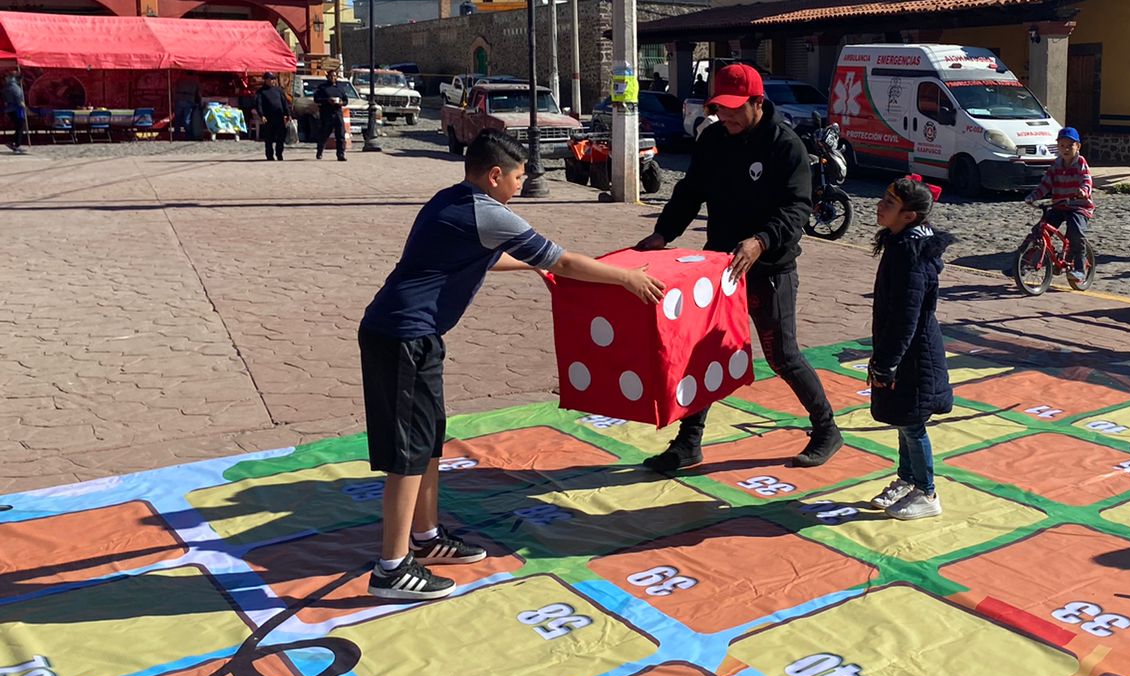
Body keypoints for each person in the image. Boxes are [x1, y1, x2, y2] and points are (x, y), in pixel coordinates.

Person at [359, 129, 664, 600]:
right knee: (409, 454)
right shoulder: (490, 213)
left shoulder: (451, 201)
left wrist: (531, 266)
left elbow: (481, 258)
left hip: (409, 335)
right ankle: (391, 569)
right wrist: (624, 278)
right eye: (519, 177)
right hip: (402, 338)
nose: (522, 185)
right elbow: (564, 260)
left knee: (428, 444)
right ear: (495, 175)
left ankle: (425, 539)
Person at [636, 63, 842, 474]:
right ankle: (688, 443)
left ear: (757, 103)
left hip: (771, 268)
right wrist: (663, 234)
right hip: (720, 268)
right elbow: (689, 191)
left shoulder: (785, 146)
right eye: (719, 108)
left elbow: (798, 207)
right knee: (704, 352)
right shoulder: (713, 139)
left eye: (733, 108)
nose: (724, 116)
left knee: (782, 355)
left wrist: (761, 239)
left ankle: (826, 429)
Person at [868, 176, 955, 521]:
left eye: (889, 203)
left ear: (909, 216)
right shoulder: (899, 242)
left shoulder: (911, 254)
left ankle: (927, 490)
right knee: (903, 418)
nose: (880, 205)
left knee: (912, 422)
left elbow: (908, 314)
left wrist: (888, 362)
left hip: (914, 353)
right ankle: (907, 479)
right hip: (902, 349)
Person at [1025, 127, 1094, 285]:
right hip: (1059, 205)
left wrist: (1083, 191)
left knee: (1075, 233)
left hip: (1078, 206)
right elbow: (1045, 184)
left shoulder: (1080, 163)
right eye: (1062, 146)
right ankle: (1023, 264)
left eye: (1070, 146)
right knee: (1038, 231)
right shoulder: (1056, 165)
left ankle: (1080, 269)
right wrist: (1033, 196)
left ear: (1078, 147)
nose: (1066, 149)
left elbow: (1087, 181)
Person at [313, 67, 348, 161]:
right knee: (324, 134)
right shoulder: (322, 88)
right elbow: (316, 99)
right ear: (327, 77)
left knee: (340, 134)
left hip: (338, 113)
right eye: (331, 76)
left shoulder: (340, 88)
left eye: (335, 76)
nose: (333, 78)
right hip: (327, 114)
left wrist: (341, 103)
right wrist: (327, 100)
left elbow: (345, 100)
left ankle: (341, 154)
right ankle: (320, 151)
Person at [256, 73, 290, 162]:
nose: (272, 81)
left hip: (279, 116)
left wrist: (287, 114)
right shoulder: (261, 91)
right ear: (266, 80)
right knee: (269, 138)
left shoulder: (278, 90)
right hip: (268, 117)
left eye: (273, 79)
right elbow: (258, 104)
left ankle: (279, 154)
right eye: (270, 79)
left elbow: (284, 102)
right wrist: (261, 115)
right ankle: (269, 155)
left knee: (281, 137)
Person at [3, 68, 26, 154]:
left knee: (19, 125)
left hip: (9, 109)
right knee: (21, 125)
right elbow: (19, 100)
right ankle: (17, 144)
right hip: (16, 109)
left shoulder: (7, 86)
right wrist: (25, 108)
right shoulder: (15, 88)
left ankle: (13, 142)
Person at [173, 76, 201, 141]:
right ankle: (188, 135)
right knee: (187, 119)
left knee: (177, 119)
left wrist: (174, 98)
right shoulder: (195, 80)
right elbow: (199, 92)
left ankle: (177, 135)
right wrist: (199, 102)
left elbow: (174, 87)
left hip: (179, 99)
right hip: (189, 100)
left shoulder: (180, 78)